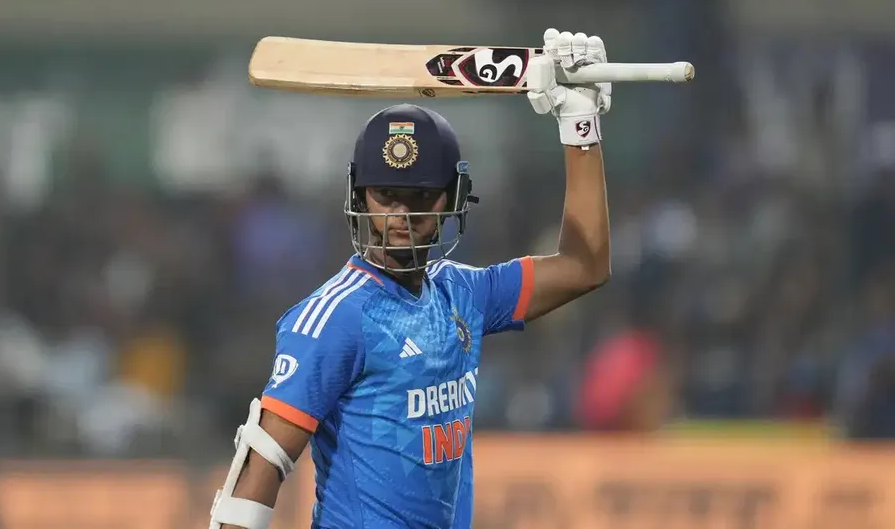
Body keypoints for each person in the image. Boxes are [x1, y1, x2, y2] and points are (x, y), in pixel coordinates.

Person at [209, 28, 614, 529]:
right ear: (359, 198)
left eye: (421, 196)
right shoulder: (336, 317)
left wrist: (580, 126)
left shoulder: (466, 293)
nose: (401, 213)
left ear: (453, 199)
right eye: (386, 194)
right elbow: (263, 458)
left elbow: (585, 265)